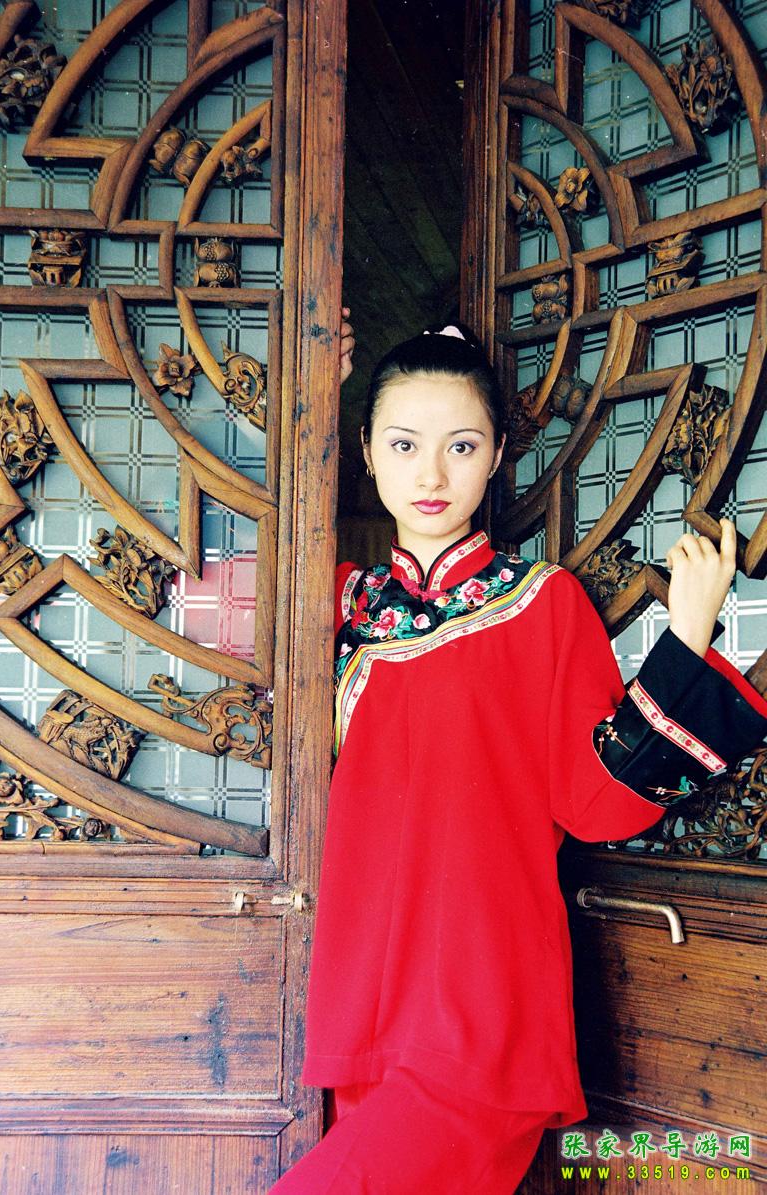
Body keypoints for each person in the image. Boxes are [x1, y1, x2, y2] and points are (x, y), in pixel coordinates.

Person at [270, 321, 767, 1194]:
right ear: (366, 451)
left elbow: (596, 802)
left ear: (498, 454)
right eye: (404, 444)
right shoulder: (337, 605)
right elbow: (221, 580)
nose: (431, 474)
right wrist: (303, 395)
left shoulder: (541, 603)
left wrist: (687, 637)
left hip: (481, 1011)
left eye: (461, 445)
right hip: (360, 1006)